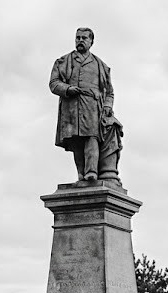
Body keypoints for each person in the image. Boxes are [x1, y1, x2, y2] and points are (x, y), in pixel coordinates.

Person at [50, 27, 123, 185]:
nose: (80, 40)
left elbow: (109, 91)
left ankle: (91, 172)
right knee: (76, 141)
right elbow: (54, 84)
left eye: (84, 38)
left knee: (92, 138)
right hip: (71, 108)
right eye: (78, 38)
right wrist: (67, 89)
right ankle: (81, 173)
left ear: (91, 41)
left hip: (92, 107)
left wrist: (108, 107)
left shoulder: (101, 65)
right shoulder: (63, 61)